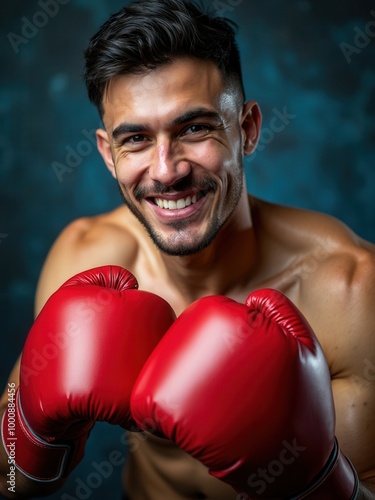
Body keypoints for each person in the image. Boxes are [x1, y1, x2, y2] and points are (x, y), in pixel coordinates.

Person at [1, 0, 374, 498]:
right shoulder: (84, 258)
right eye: (135, 139)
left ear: (247, 129)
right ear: (108, 155)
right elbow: (6, 482)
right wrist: (31, 436)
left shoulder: (350, 293)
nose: (166, 170)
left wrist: (314, 480)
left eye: (194, 128)